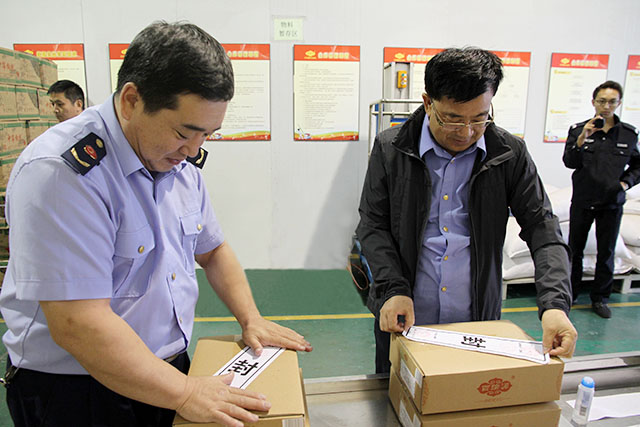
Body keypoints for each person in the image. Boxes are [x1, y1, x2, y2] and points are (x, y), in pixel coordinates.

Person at [0, 21, 312, 427]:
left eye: (207, 135)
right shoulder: (64, 174)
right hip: (78, 391)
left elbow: (213, 250)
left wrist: (250, 318)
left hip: (165, 375)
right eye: (185, 132)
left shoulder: (175, 160)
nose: (194, 150)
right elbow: (78, 323)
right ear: (132, 101)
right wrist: (185, 393)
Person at [356, 47, 577, 374]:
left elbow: (543, 229)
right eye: (453, 119)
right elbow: (373, 225)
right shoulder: (392, 149)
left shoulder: (508, 154)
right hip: (405, 315)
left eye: (479, 118)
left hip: (477, 321)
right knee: (397, 396)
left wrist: (555, 306)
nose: (467, 132)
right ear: (428, 102)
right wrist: (392, 290)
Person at [563, 81, 640, 318]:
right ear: (593, 102)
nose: (606, 106)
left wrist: (625, 183)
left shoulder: (628, 134)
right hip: (583, 199)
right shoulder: (579, 129)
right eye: (602, 101)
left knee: (606, 252)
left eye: (611, 102)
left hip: (611, 202)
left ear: (619, 103)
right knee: (574, 250)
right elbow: (569, 162)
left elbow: (638, 165)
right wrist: (582, 139)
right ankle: (571, 294)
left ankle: (600, 299)